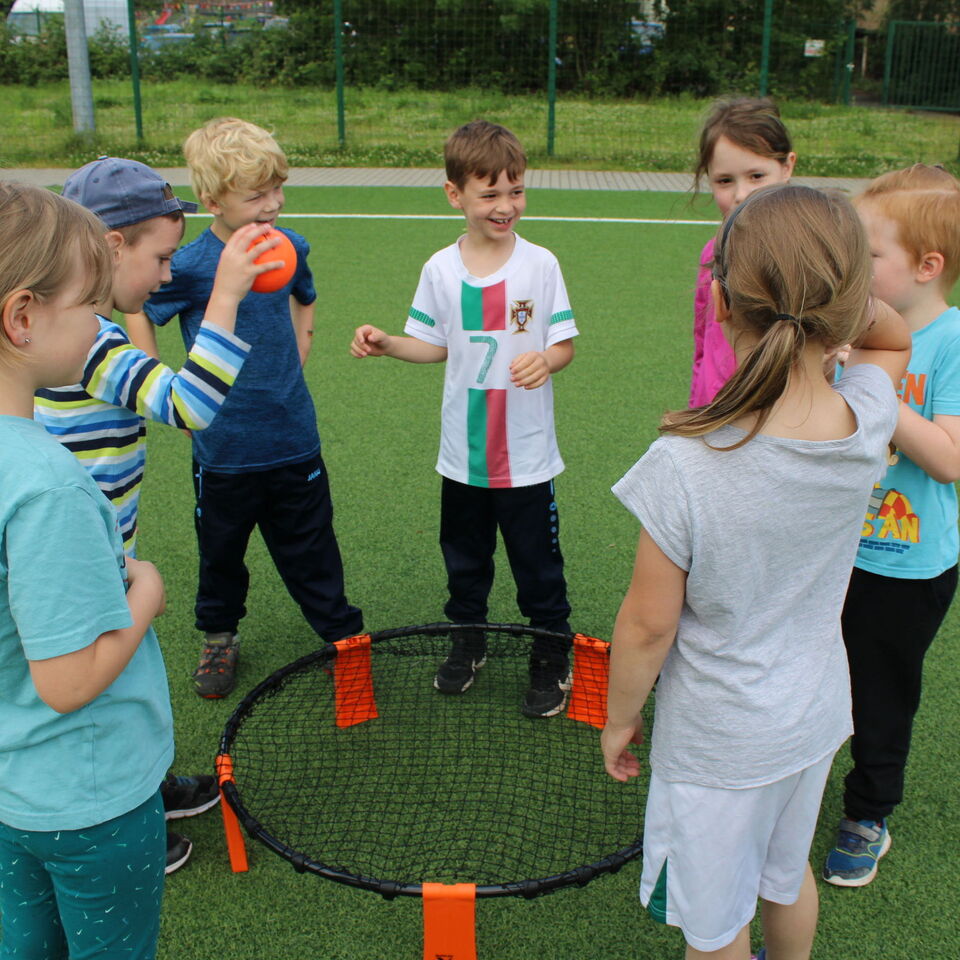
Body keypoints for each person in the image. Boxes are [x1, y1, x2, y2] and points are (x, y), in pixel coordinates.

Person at [601, 184, 911, 960]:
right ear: (848, 305)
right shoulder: (867, 416)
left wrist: (618, 717)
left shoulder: (683, 465)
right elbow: (890, 340)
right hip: (813, 718)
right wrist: (842, 306)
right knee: (785, 877)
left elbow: (647, 626)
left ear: (720, 301)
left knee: (715, 928)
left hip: (719, 745)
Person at [35, 156, 277, 872]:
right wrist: (225, 296)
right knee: (102, 692)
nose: (168, 276)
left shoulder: (79, 328)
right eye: (162, 258)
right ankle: (125, 818)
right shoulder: (90, 343)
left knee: (124, 686)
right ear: (112, 247)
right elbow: (188, 405)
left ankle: (146, 787)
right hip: (80, 552)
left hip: (97, 538)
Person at [127, 117, 362, 699]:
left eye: (278, 188)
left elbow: (305, 294)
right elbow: (139, 310)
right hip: (223, 450)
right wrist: (163, 390)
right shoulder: (189, 266)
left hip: (293, 439)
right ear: (213, 201)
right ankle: (219, 636)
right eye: (257, 195)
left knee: (313, 551)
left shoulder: (290, 246)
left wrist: (302, 343)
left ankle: (343, 640)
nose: (273, 204)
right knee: (221, 554)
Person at [350, 120, 578, 718]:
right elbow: (434, 345)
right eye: (490, 193)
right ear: (455, 194)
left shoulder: (541, 264)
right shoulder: (439, 269)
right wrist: (389, 344)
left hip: (526, 457)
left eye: (516, 190)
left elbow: (563, 345)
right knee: (465, 562)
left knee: (538, 569)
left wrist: (547, 360)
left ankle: (550, 654)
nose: (506, 206)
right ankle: (468, 640)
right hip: (463, 456)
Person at [0, 182, 172, 959]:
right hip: (89, 798)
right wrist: (147, 593)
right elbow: (67, 680)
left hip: (12, 789)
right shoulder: (48, 485)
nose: (102, 325)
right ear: (23, 317)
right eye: (89, 308)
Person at [822, 164, 960, 888]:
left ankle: (868, 812)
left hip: (907, 565)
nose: (852, 268)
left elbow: (948, 459)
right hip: (834, 548)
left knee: (880, 692)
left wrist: (874, 383)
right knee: (818, 671)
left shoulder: (951, 342)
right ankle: (799, 774)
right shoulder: (851, 329)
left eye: (869, 255)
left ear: (927, 267)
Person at [688, 98, 796, 408]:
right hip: (715, 413)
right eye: (725, 181)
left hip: (779, 417)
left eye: (756, 176)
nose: (741, 194)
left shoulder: (807, 252)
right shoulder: (713, 252)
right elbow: (702, 346)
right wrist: (695, 410)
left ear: (787, 167)